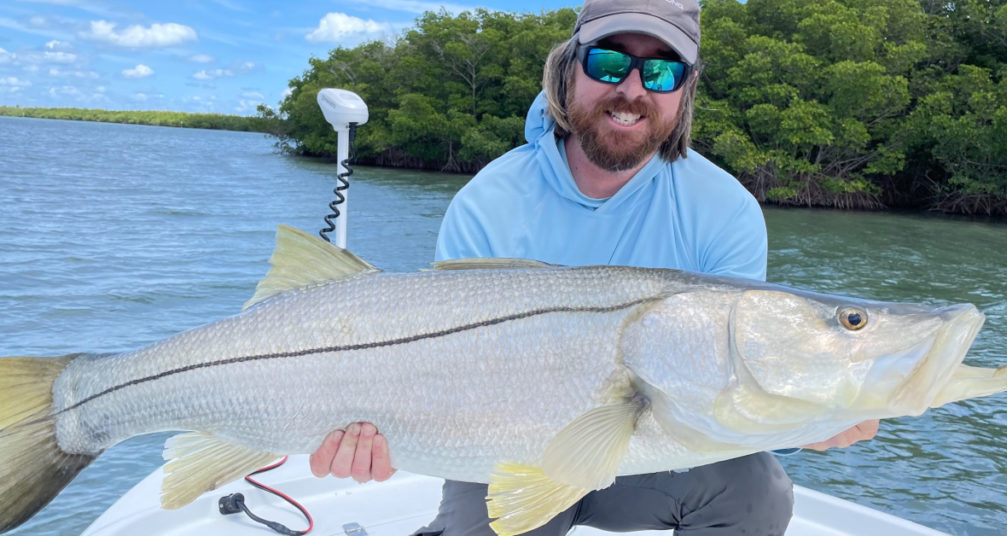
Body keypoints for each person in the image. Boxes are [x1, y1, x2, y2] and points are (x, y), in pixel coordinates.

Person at [310, 0, 880, 533]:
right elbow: (451, 377)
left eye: (662, 73)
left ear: (686, 90)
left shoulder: (725, 209)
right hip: (501, 444)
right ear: (567, 71)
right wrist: (384, 435)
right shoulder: (489, 200)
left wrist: (806, 423)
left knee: (759, 491)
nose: (632, 89)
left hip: (655, 452)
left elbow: (732, 387)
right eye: (608, 62)